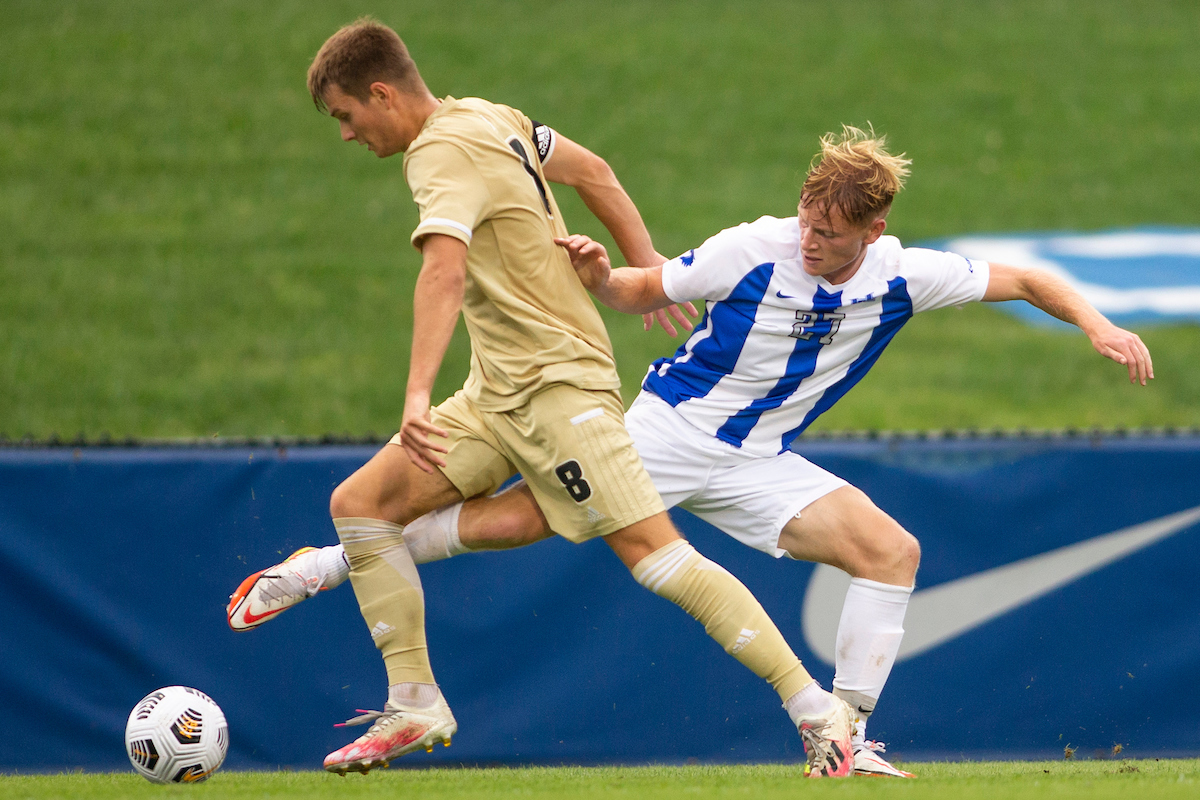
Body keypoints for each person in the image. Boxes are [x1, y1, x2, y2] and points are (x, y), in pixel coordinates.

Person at [231, 123, 1155, 778]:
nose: (811, 241)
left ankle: (846, 738)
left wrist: (1099, 325)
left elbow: (1028, 276)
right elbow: (646, 291)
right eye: (806, 223)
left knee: (892, 552)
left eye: (829, 236)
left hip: (762, 460)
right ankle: (325, 563)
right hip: (669, 429)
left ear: (872, 233)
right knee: (521, 523)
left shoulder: (906, 275)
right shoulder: (756, 246)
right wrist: (604, 276)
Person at [270, 18, 857, 778]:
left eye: (347, 116)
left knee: (654, 556)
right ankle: (413, 701)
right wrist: (649, 268)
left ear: (381, 92)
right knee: (362, 504)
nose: (347, 135)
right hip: (497, 391)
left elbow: (442, 272)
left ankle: (817, 710)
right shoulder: (492, 115)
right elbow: (597, 171)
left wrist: (415, 394)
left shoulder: (438, 152)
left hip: (559, 390)